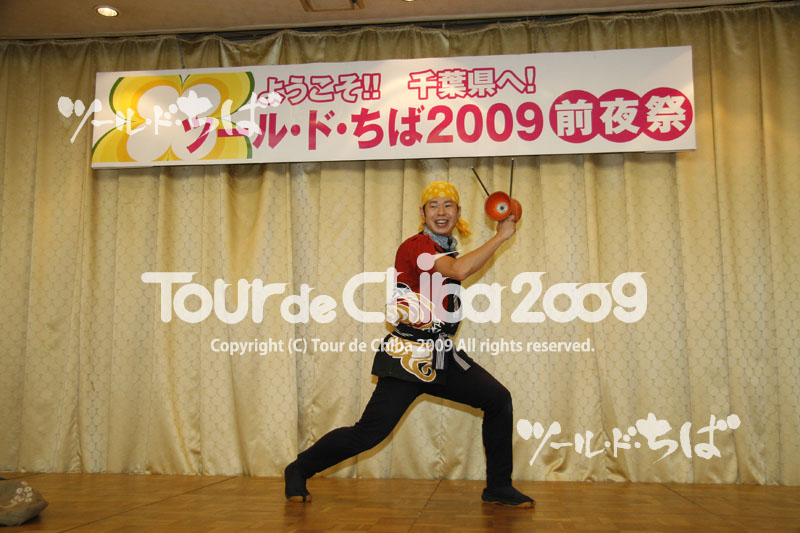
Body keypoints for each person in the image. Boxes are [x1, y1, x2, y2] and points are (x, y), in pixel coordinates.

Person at [284, 180, 534, 508]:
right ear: (422, 213)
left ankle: (498, 487)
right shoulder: (417, 246)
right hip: (407, 358)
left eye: (448, 205)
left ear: (458, 212)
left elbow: (459, 268)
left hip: (440, 354)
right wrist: (500, 236)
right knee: (368, 433)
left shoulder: (445, 250)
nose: (441, 211)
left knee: (498, 399)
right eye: (434, 205)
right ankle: (298, 468)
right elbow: (460, 271)